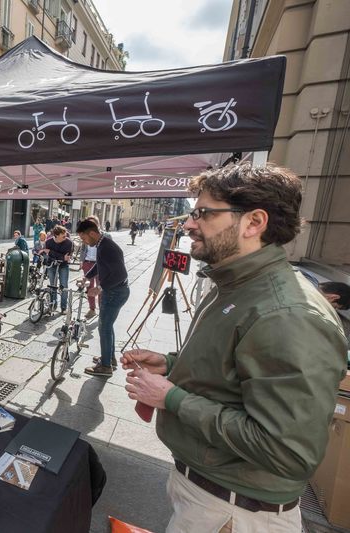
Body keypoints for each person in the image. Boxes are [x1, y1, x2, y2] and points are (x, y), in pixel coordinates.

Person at [122, 164, 347, 533]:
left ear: (253, 223)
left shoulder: (287, 313)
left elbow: (287, 451)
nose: (189, 224)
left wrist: (171, 397)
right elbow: (235, 369)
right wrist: (172, 364)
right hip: (214, 499)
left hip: (234, 514)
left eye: (203, 213)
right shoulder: (239, 285)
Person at [77, 219, 129, 377]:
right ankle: (109, 359)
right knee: (107, 326)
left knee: (104, 327)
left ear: (92, 233)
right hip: (115, 292)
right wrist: (86, 277)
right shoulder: (102, 244)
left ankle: (105, 366)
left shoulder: (106, 247)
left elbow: (121, 274)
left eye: (84, 238)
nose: (84, 242)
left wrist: (99, 288)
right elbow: (99, 265)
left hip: (114, 293)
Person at [40, 225, 73, 313]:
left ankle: (63, 308)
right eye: (63, 236)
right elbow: (47, 255)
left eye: (65, 235)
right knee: (52, 285)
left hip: (63, 266)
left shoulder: (69, 243)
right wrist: (59, 256)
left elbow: (66, 258)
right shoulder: (48, 242)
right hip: (52, 265)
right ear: (56, 235)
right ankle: (53, 305)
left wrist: (51, 252)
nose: (65, 237)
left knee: (64, 286)